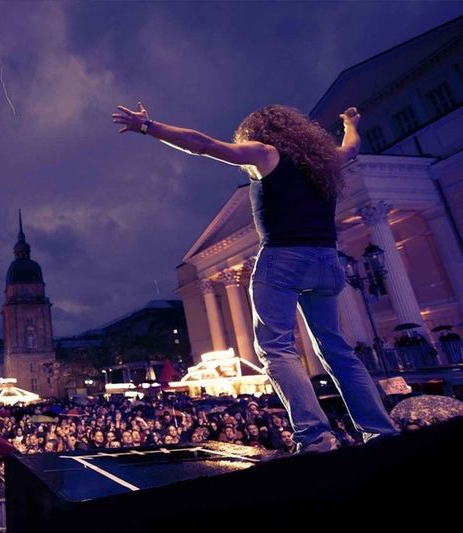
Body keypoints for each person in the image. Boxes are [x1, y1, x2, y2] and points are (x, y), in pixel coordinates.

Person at [112, 102, 397, 453]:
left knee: (276, 348)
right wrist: (350, 123)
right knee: (337, 349)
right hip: (326, 259)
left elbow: (204, 145)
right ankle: (380, 431)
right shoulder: (325, 163)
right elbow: (351, 147)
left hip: (283, 257)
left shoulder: (265, 153)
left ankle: (316, 436)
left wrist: (149, 127)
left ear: (258, 132)